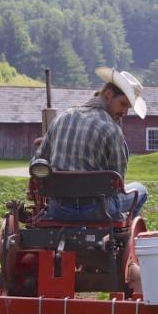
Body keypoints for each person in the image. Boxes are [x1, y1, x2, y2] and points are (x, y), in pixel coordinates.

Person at [40, 67, 149, 221]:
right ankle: (122, 230)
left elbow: (39, 161)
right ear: (108, 94)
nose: (125, 113)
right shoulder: (112, 130)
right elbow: (117, 182)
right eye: (123, 104)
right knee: (141, 190)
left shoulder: (62, 118)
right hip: (97, 211)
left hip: (58, 209)